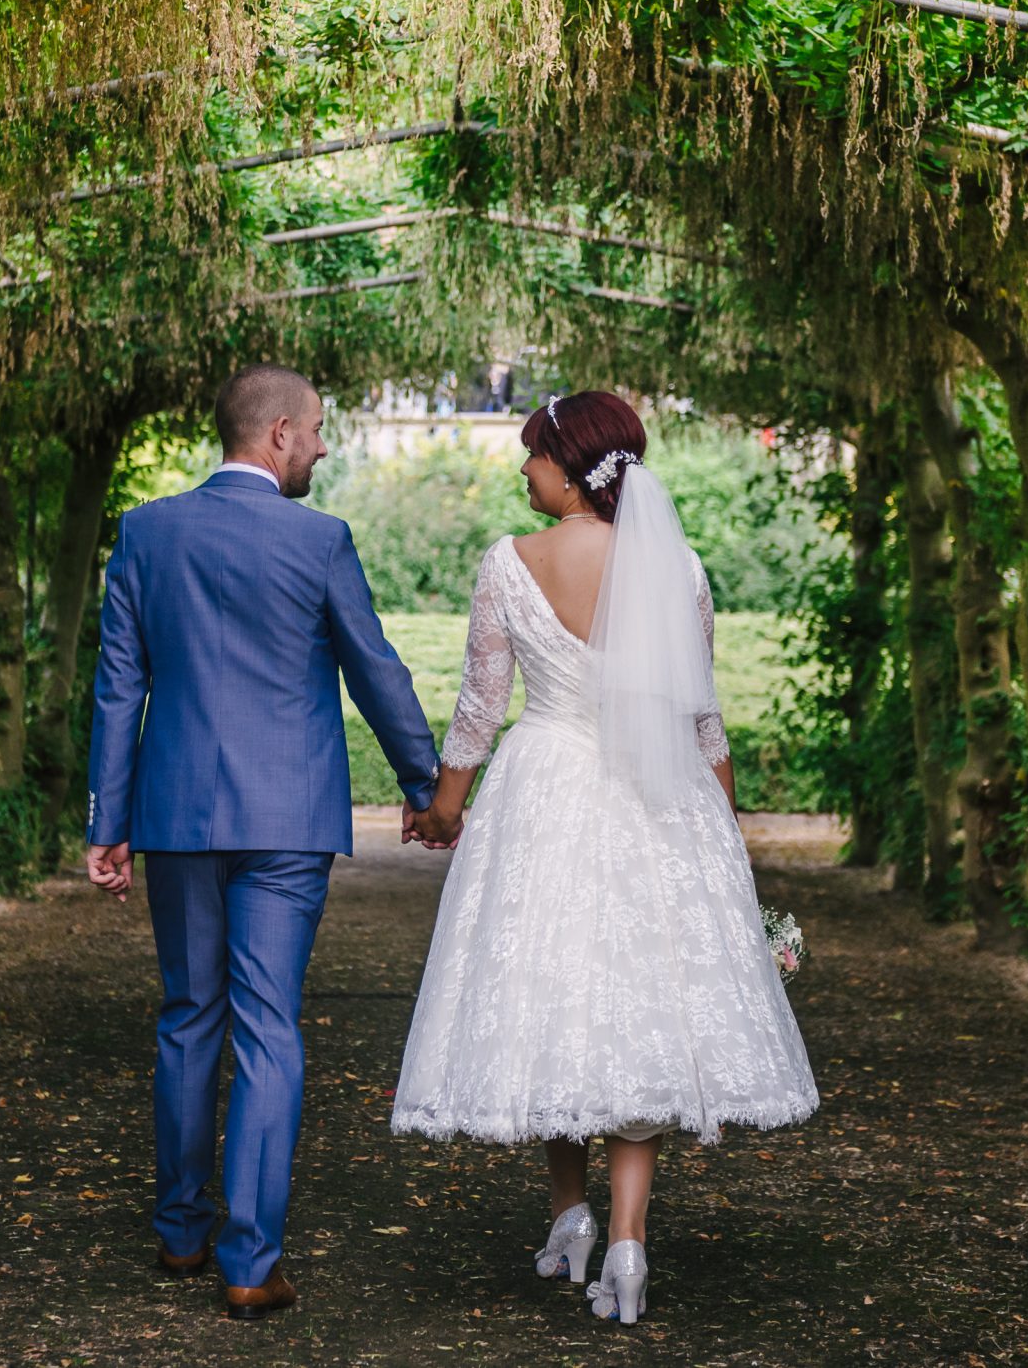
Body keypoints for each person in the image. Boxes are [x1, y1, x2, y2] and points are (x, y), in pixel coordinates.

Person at [389, 390, 818, 1325]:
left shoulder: (510, 562)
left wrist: (442, 809)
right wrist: (725, 844)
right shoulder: (680, 569)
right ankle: (627, 1239)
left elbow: (478, 707)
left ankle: (568, 1213)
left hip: (542, 789)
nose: (523, 470)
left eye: (533, 454)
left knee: (551, 996)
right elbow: (704, 722)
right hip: (658, 797)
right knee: (642, 1015)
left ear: (572, 462)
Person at [83, 365, 441, 1320]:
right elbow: (376, 670)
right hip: (286, 820)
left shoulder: (147, 532)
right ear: (278, 433)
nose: (325, 445)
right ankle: (250, 1262)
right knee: (268, 1026)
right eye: (319, 429)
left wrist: (105, 825)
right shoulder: (319, 539)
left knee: (188, 1015)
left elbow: (121, 687)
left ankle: (179, 1233)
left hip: (175, 818)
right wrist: (425, 785)